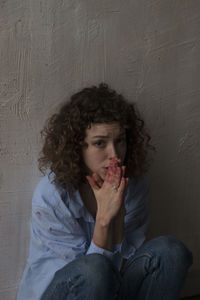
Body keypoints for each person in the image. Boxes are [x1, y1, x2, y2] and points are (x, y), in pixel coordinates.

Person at [17, 83, 193, 300]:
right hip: (66, 292)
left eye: (120, 141)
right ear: (77, 147)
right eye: (100, 143)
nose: (114, 155)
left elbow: (123, 266)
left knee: (171, 251)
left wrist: (118, 217)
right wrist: (103, 221)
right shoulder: (53, 196)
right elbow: (88, 280)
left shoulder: (134, 184)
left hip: (110, 286)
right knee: (94, 269)